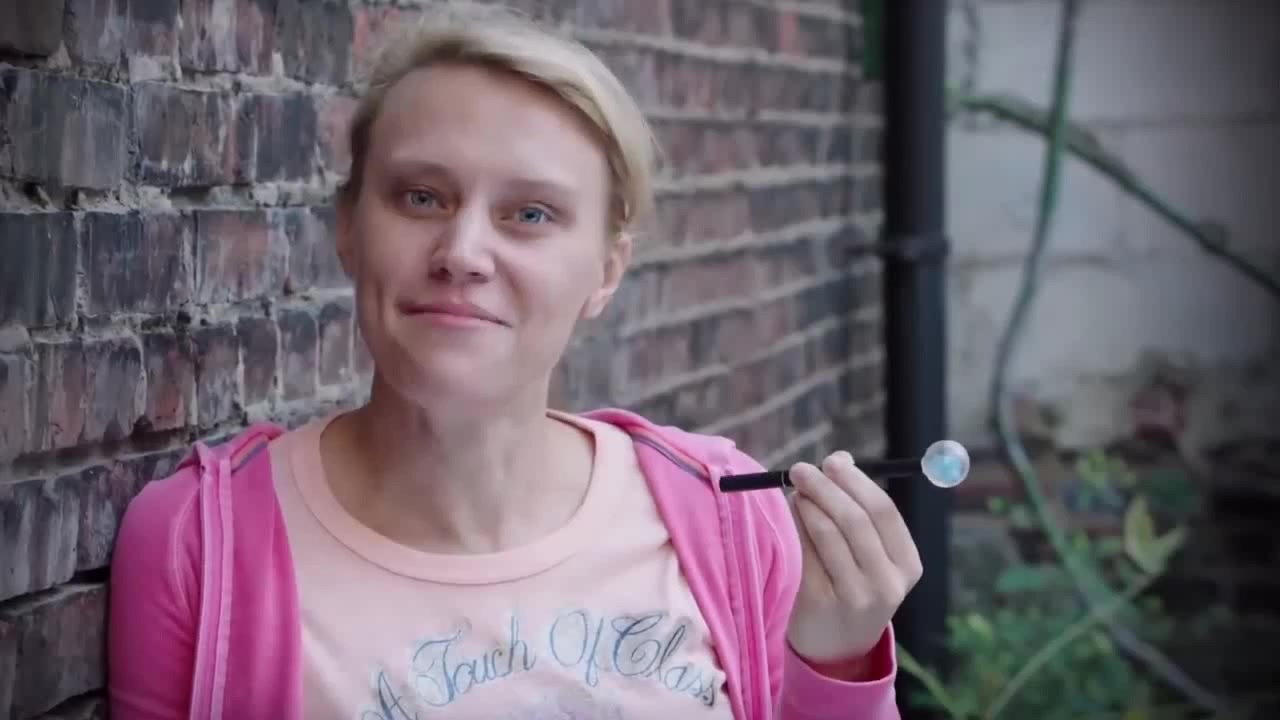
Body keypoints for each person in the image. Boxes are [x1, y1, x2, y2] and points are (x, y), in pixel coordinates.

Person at [107, 6, 922, 719]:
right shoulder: (198, 543)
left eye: (530, 214)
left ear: (606, 271)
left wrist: (837, 666)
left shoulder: (730, 521)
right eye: (421, 197)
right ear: (349, 227)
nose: (462, 253)